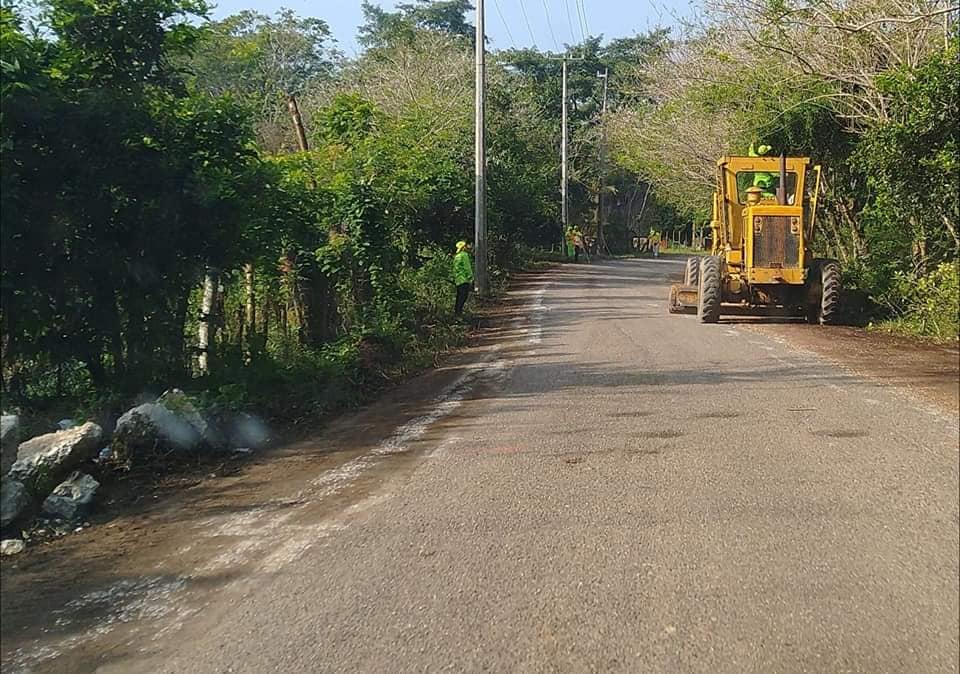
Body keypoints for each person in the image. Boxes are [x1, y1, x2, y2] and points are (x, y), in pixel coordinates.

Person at [452, 240, 474, 316]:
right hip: (464, 279)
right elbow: (467, 267)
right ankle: (459, 313)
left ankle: (457, 313)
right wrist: (470, 277)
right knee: (464, 297)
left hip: (458, 280)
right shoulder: (464, 255)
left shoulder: (457, 256)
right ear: (464, 247)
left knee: (459, 297)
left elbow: (455, 269)